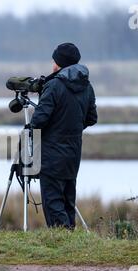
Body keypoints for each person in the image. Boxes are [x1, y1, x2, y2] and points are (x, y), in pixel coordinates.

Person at [30, 43, 98, 230]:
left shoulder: (54, 86)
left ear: (59, 63)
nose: (52, 64)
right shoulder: (86, 85)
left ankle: (62, 237)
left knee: (53, 199)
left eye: (54, 60)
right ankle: (69, 237)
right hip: (74, 152)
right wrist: (72, 127)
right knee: (68, 198)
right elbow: (92, 118)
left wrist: (33, 130)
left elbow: (38, 121)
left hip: (52, 153)